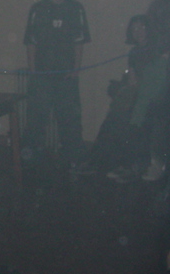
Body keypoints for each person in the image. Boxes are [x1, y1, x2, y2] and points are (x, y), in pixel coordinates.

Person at [71, 14, 168, 181]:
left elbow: (156, 83)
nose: (139, 31)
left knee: (133, 122)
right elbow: (132, 81)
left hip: (154, 101)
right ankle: (95, 162)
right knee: (112, 121)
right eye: (134, 28)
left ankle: (131, 167)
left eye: (142, 27)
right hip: (137, 97)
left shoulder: (158, 50)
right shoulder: (134, 52)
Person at [22, 0, 91, 172]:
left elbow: (79, 42)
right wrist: (33, 72)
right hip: (42, 75)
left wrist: (76, 70)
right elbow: (31, 42)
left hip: (66, 75)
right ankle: (30, 159)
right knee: (36, 119)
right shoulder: (38, 9)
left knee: (70, 121)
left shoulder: (76, 8)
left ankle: (74, 160)